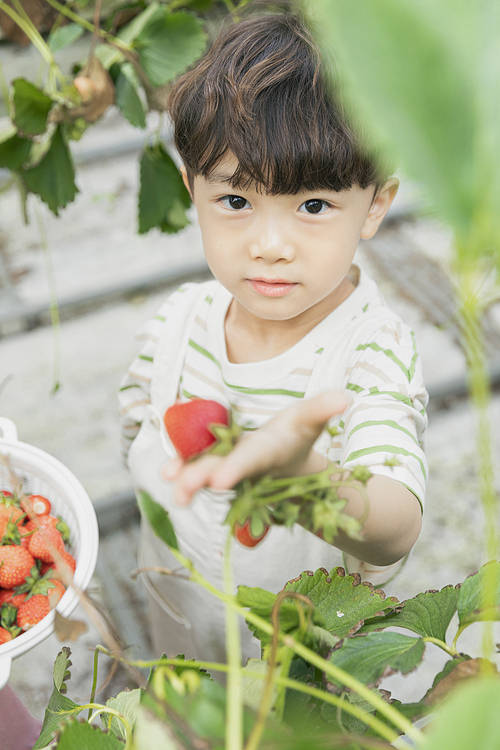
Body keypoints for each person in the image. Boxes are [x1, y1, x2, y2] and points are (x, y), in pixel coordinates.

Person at [119, 12, 427, 666]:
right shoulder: (176, 326)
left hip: (305, 679)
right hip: (182, 640)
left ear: (375, 204)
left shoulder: (371, 353)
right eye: (235, 202)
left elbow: (396, 524)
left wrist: (304, 481)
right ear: (192, 190)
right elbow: (134, 431)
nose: (269, 246)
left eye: (313, 206)